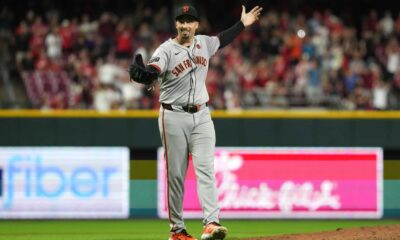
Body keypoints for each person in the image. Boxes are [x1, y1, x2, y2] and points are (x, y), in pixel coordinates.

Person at [129, 4, 262, 240]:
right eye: (181, 21)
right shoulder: (166, 49)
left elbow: (223, 38)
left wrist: (242, 24)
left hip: (202, 116)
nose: (185, 25)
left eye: (190, 21)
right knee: (177, 175)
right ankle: (177, 230)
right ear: (176, 24)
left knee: (206, 170)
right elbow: (152, 70)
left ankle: (211, 223)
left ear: (196, 25)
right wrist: (145, 74)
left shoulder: (204, 43)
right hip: (173, 115)